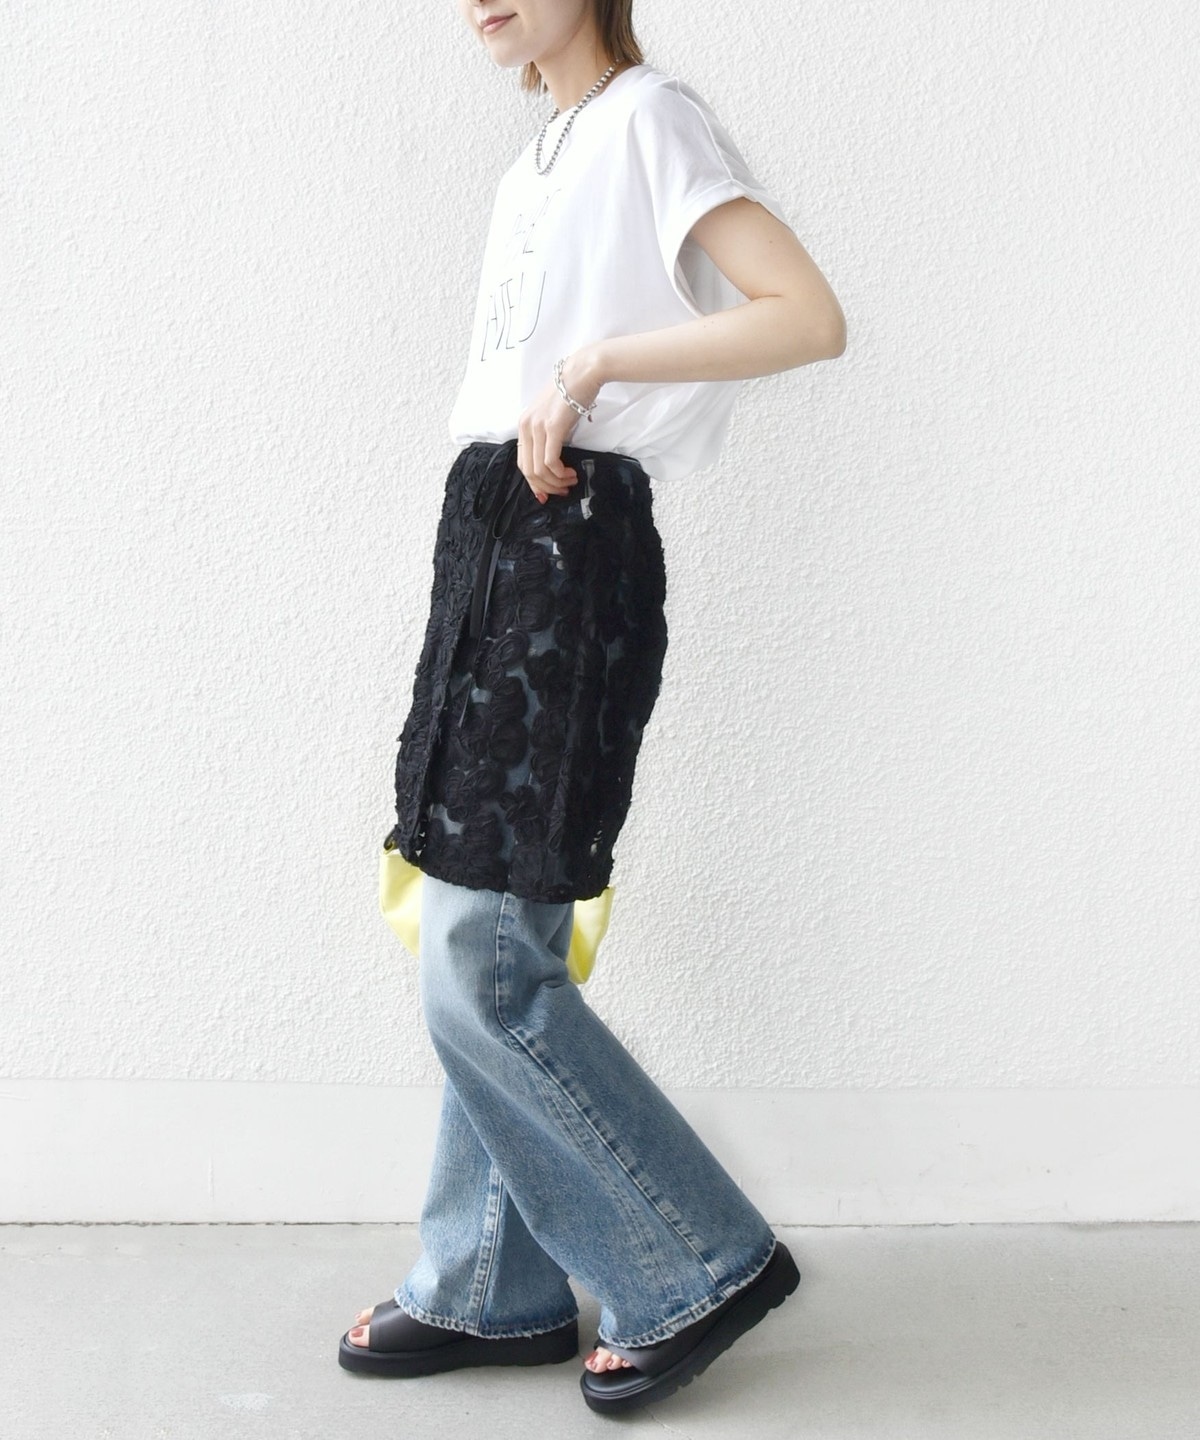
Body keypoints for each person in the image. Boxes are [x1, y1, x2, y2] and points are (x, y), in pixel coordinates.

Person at [337, 0, 846, 1416]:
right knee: (468, 907)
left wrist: (600, 363)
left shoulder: (649, 120)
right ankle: (488, 1284)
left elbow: (807, 316)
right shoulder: (539, 156)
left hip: (570, 543)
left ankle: (697, 1259)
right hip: (494, 529)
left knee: (488, 945)